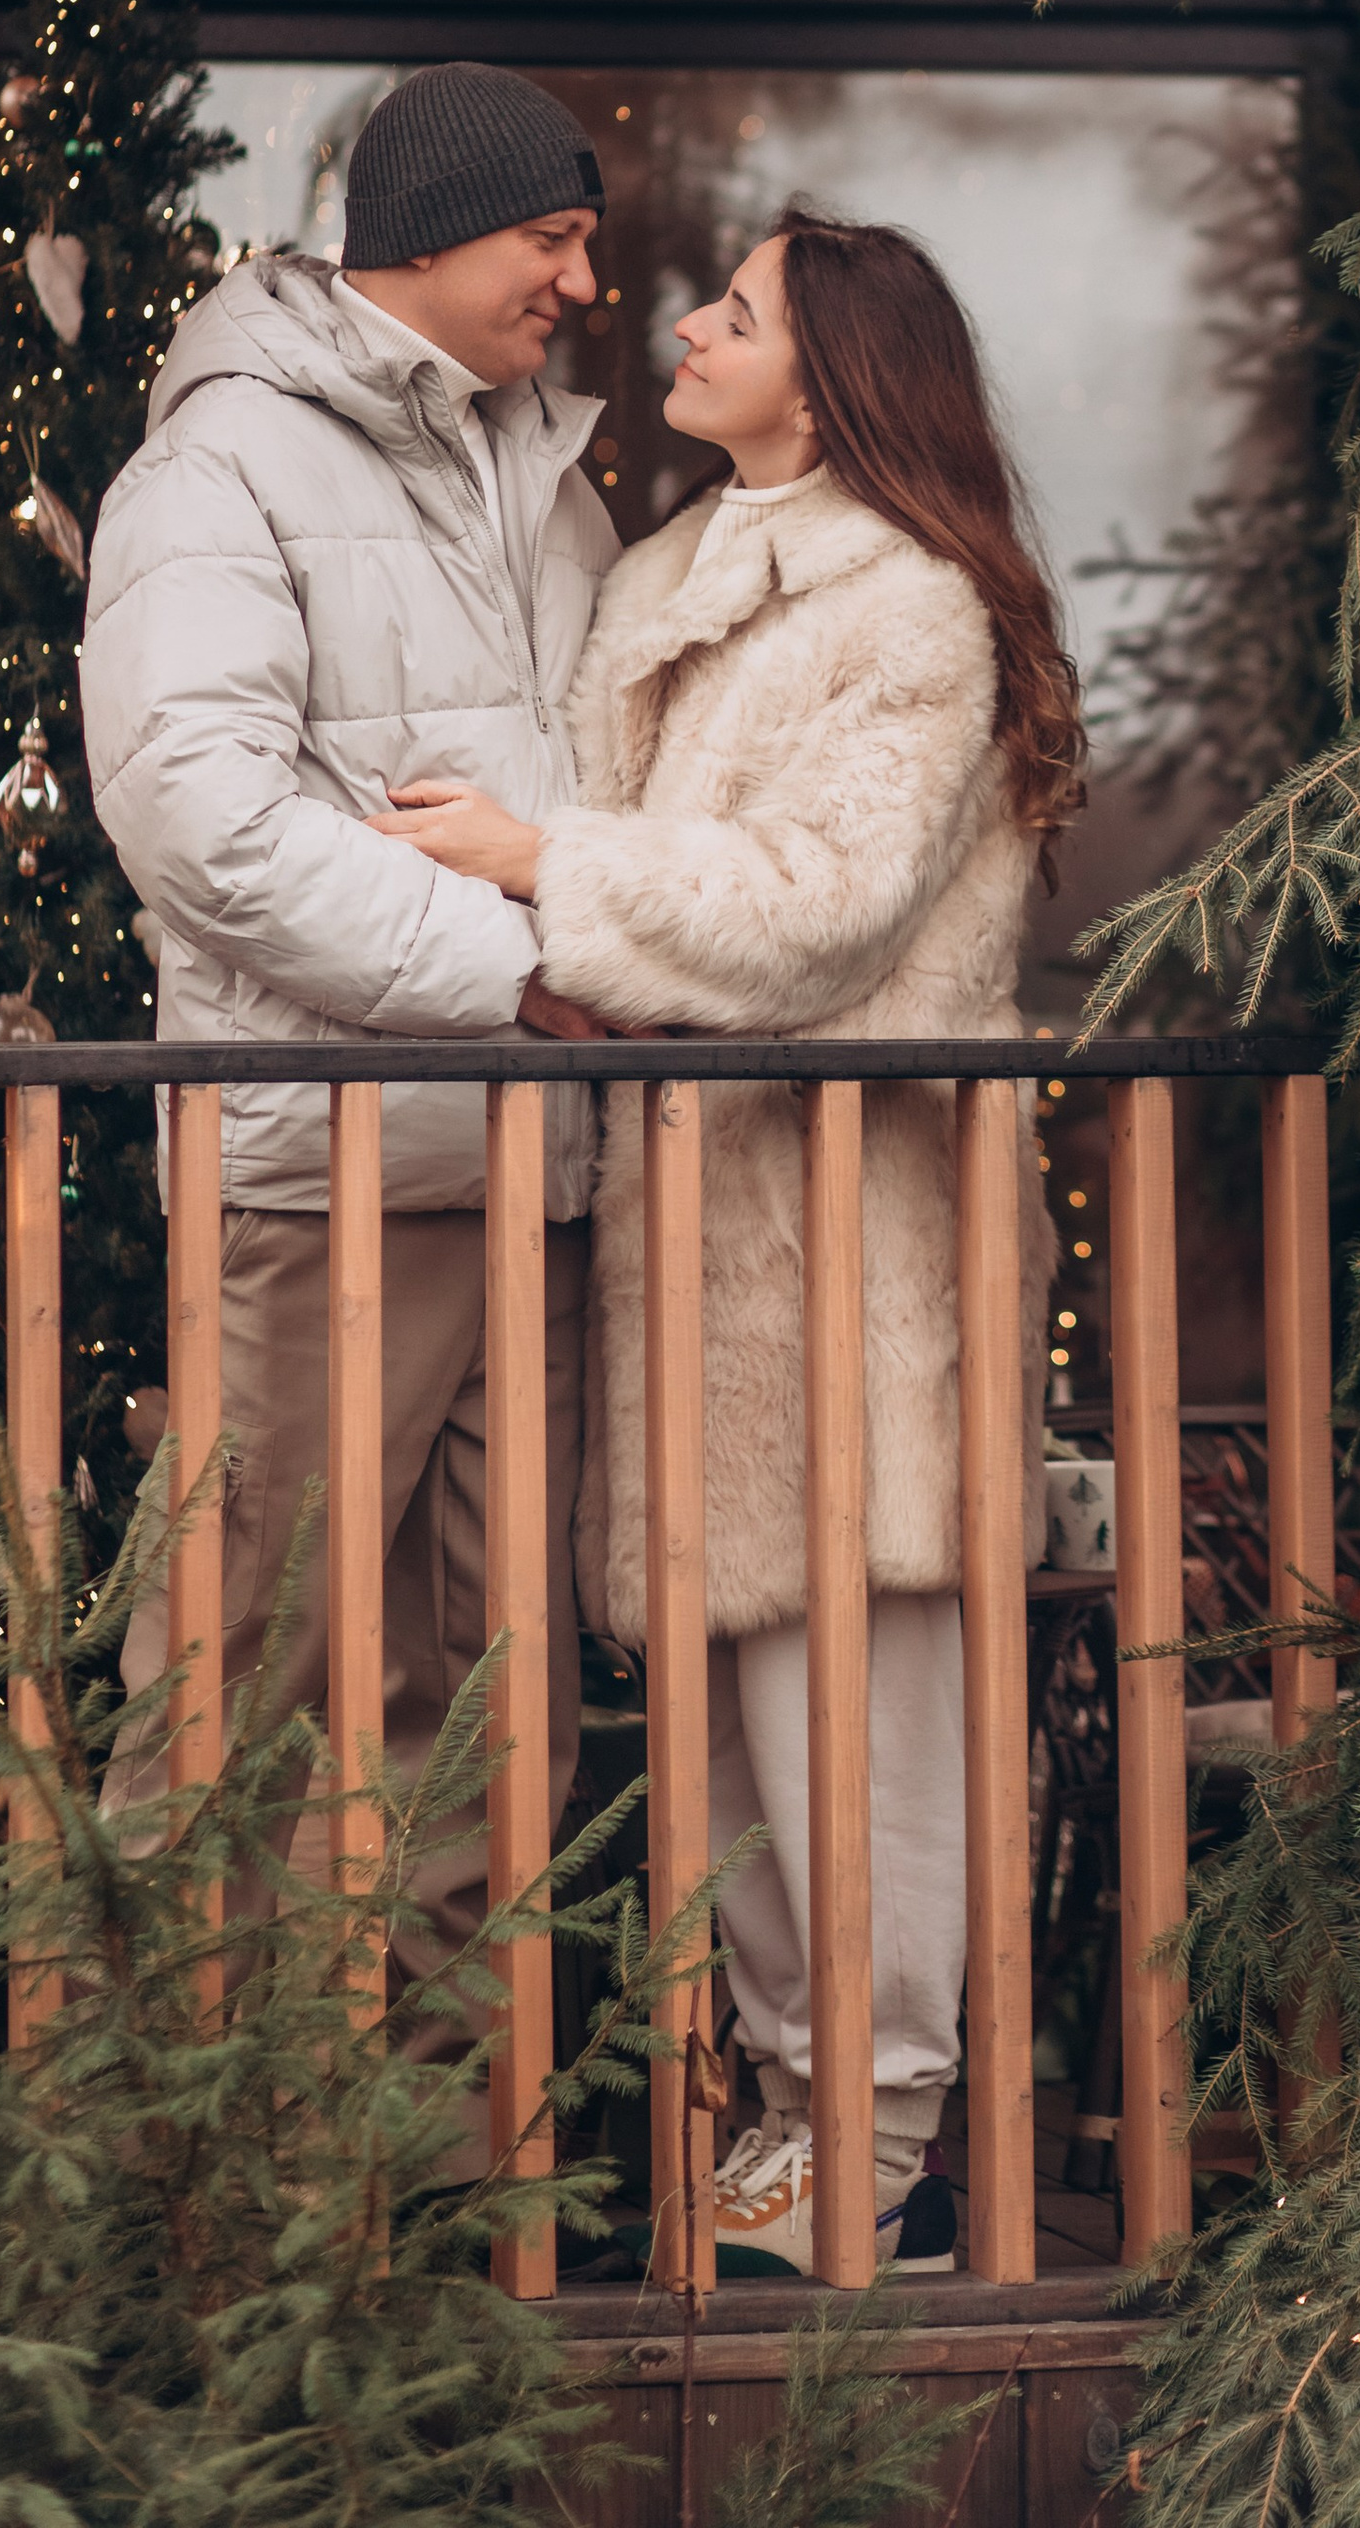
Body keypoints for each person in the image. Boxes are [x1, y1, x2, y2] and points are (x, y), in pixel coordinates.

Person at [368, 201, 1080, 2277]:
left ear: (836, 368)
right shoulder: (671, 575)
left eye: (736, 311)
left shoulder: (919, 607)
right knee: (731, 1743)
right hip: (690, 1223)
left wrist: (539, 865)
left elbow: (818, 902)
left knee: (867, 1720)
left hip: (860, 1250)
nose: (684, 326)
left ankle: (890, 2142)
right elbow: (669, 913)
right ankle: (777, 2123)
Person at [78, 61, 619, 2068]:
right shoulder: (223, 467)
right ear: (424, 230)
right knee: (244, 1679)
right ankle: (156, 2206)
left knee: (490, 1707)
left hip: (532, 1182)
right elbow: (201, 820)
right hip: (319, 1177)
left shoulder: (542, 476)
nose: (584, 279)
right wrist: (516, 973)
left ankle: (433, 2213)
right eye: (548, 237)